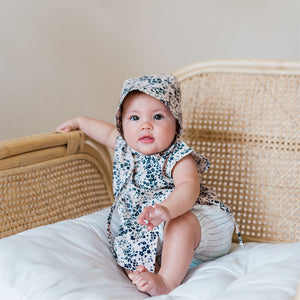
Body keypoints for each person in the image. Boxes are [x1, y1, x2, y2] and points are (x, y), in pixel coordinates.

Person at [56, 74, 242, 296]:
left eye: (157, 117)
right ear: (122, 124)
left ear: (176, 125)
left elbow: (188, 187)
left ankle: (167, 280)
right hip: (155, 227)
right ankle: (148, 271)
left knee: (179, 223)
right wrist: (79, 122)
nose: (145, 125)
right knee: (126, 240)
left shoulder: (178, 156)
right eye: (134, 118)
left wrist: (167, 209)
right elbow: (105, 132)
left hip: (201, 228)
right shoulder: (126, 147)